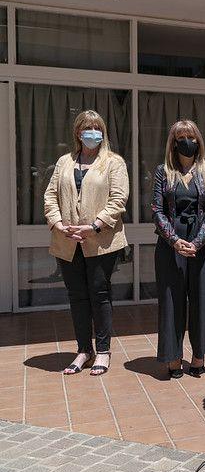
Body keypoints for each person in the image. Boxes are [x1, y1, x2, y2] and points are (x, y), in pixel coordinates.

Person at [43, 110, 129, 376]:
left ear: (103, 132)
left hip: (100, 241)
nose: (92, 133)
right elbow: (50, 196)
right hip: (68, 241)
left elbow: (118, 199)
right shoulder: (64, 162)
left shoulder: (113, 162)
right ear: (78, 132)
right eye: (87, 128)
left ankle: (103, 351)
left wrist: (93, 226)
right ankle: (83, 350)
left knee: (99, 295)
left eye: (97, 128)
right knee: (77, 297)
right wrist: (59, 225)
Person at [152, 120, 205, 379]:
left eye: (191, 136)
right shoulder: (163, 172)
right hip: (171, 244)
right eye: (181, 136)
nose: (187, 141)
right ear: (173, 142)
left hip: (202, 243)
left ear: (198, 140)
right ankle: (173, 355)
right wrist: (175, 240)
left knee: (202, 299)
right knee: (172, 302)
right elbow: (157, 210)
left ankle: (198, 355)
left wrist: (196, 242)